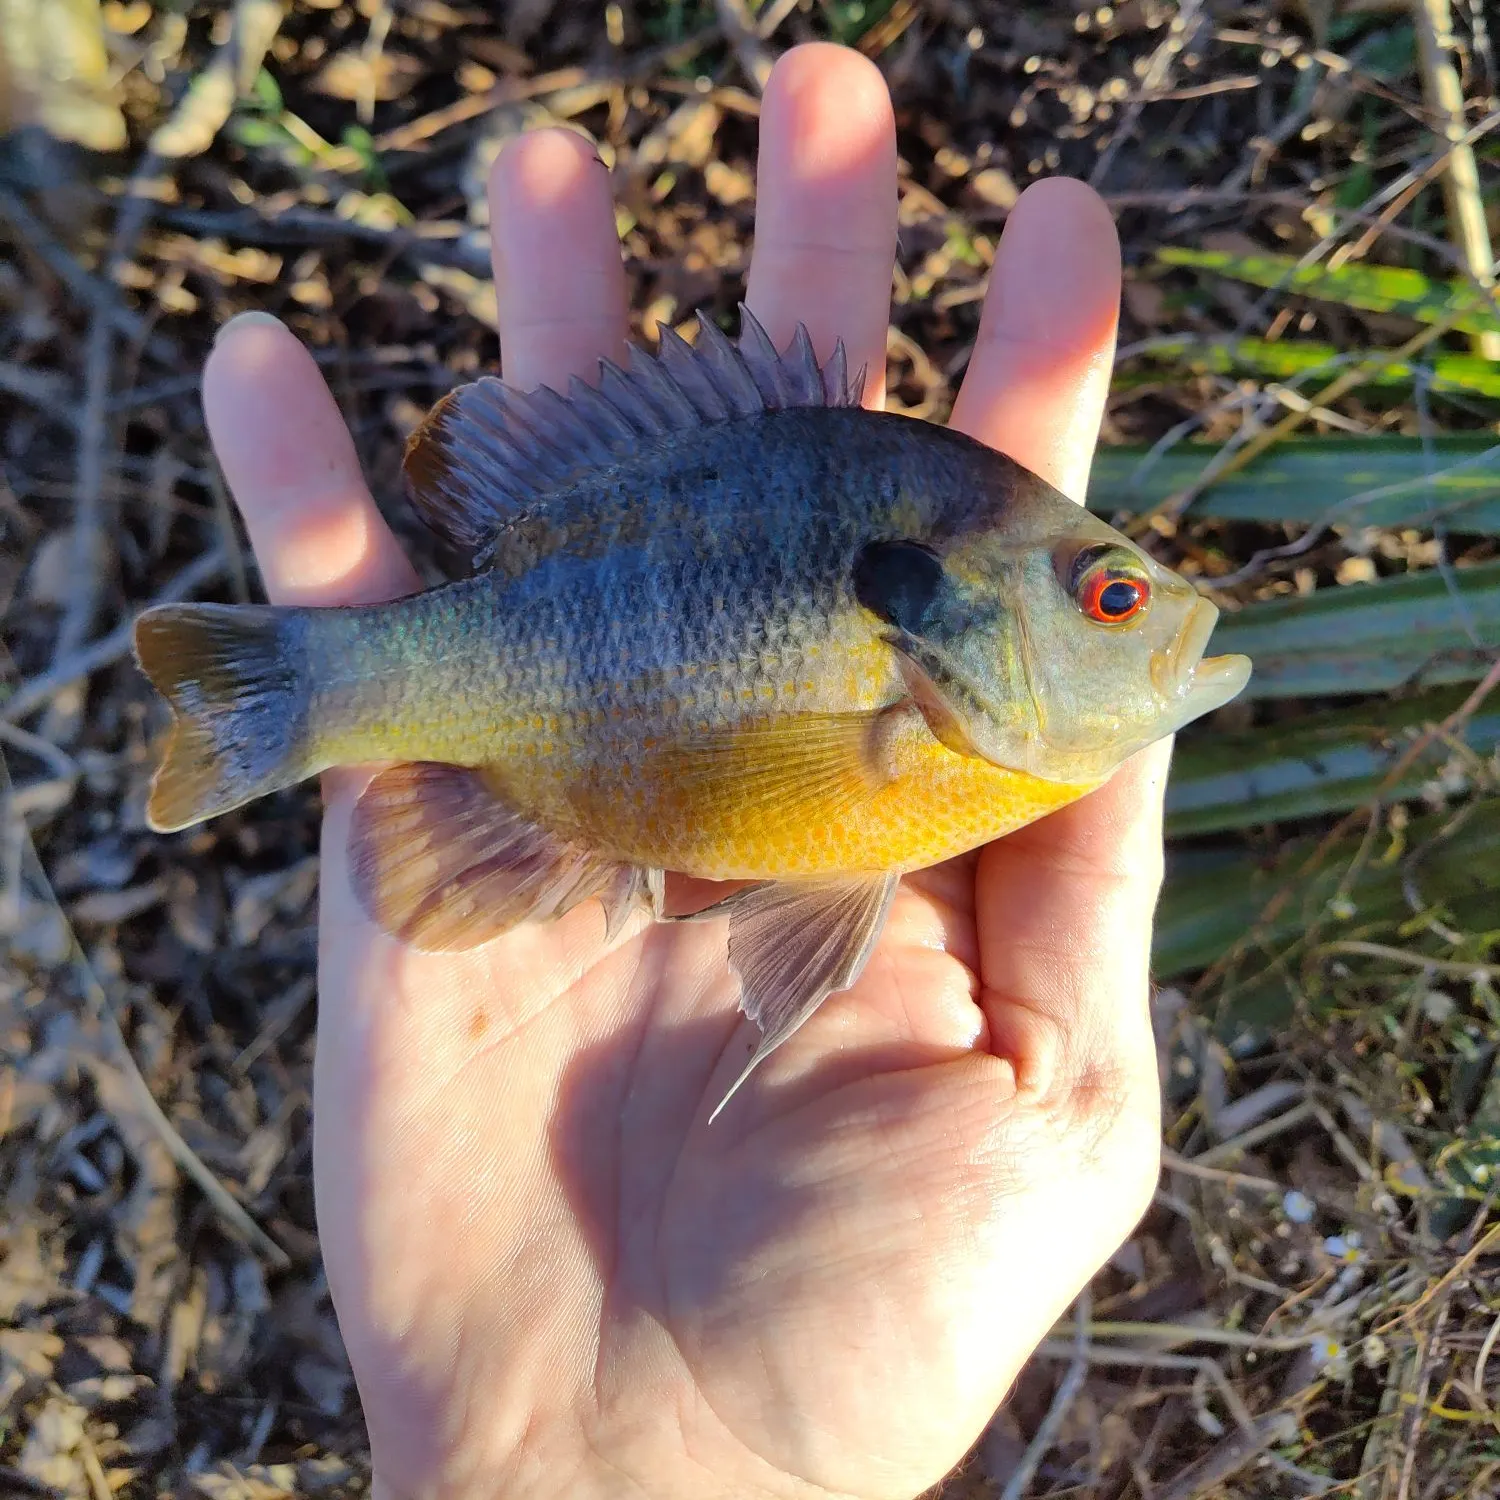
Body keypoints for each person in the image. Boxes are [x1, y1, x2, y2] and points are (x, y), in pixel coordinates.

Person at [202, 41, 1163, 1500]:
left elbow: (810, 817)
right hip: (543, 724)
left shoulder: (965, 745)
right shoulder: (954, 746)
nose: (1146, 620)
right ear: (956, 613)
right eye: (1108, 598)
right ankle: (298, 689)